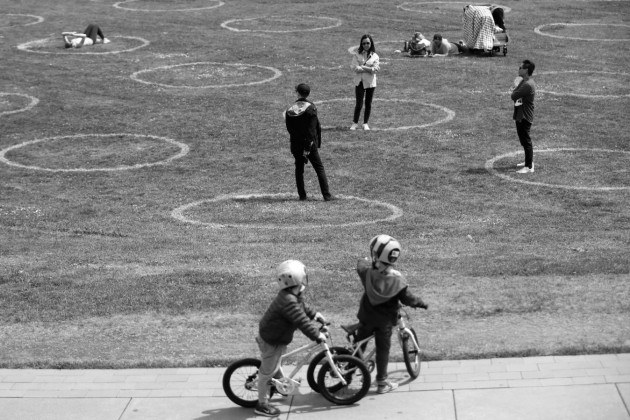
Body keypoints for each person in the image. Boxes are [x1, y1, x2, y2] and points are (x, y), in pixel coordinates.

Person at [354, 235, 428, 394]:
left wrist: (363, 259)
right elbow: (408, 298)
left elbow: (360, 266)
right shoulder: (398, 281)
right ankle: (381, 382)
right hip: (385, 323)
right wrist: (421, 303)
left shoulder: (367, 273)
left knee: (359, 343)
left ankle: (348, 369)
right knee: (382, 350)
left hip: (366, 318)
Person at [255, 260, 327, 417]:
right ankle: (262, 404)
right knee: (267, 373)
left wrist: (314, 314)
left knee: (276, 363)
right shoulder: (288, 302)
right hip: (271, 340)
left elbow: (302, 307)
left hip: (276, 338)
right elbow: (301, 321)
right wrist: (317, 335)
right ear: (298, 279)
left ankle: (279, 384)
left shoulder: (291, 294)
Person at [284, 83, 334, 201]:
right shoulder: (311, 108)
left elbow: (290, 129)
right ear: (308, 94)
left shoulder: (290, 110)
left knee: (299, 169)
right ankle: (326, 195)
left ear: (297, 92)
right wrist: (308, 146)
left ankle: (302, 196)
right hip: (309, 145)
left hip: (296, 144)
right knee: (319, 168)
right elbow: (312, 130)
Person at [511, 60, 536, 174]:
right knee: (523, 140)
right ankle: (528, 160)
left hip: (524, 116)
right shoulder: (525, 81)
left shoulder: (527, 84)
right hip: (521, 114)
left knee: (526, 141)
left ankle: (529, 166)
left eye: (520, 67)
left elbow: (514, 95)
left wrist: (515, 88)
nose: (519, 69)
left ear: (526, 70)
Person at [350, 34, 380, 130]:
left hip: (370, 83)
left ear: (371, 43)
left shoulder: (375, 56)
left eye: (368, 43)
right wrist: (369, 69)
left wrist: (362, 66)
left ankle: (365, 123)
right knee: (359, 103)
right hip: (359, 82)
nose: (366, 45)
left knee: (368, 103)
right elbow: (354, 67)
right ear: (361, 44)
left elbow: (375, 70)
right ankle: (355, 123)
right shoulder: (356, 54)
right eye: (364, 43)